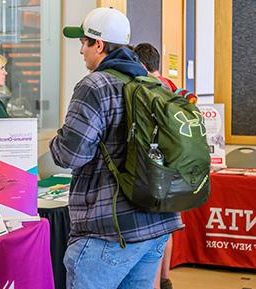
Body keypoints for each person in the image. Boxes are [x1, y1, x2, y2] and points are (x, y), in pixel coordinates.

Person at [50, 7, 183, 289]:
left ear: (98, 44)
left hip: (109, 231)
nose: (80, 51)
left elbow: (70, 154)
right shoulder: (154, 85)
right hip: (157, 223)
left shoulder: (95, 85)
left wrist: (54, 140)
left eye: (83, 43)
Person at [134, 42, 184, 289]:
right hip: (176, 168)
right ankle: (165, 279)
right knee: (167, 226)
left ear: (141, 65)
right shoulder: (174, 88)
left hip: (156, 170)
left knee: (154, 233)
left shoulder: (147, 89)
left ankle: (156, 284)